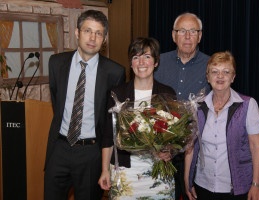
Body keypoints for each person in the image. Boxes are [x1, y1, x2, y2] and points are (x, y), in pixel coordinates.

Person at [44, 10, 126, 200]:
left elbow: (111, 119)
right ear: (77, 33)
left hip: (91, 153)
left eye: (98, 33)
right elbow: (57, 102)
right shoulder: (56, 63)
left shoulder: (115, 72)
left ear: (104, 39)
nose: (92, 37)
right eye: (87, 30)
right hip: (59, 148)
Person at [99, 37, 176, 199]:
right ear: (131, 63)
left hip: (157, 171)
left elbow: (174, 135)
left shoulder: (167, 94)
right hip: (125, 171)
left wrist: (168, 150)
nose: (141, 62)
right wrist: (105, 170)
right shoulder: (117, 94)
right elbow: (108, 137)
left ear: (156, 62)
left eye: (147, 56)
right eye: (136, 57)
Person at [185, 51, 259, 200]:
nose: (220, 76)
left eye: (226, 72)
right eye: (214, 72)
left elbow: (256, 146)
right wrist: (187, 180)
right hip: (202, 185)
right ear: (208, 77)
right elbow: (190, 146)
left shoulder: (247, 105)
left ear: (233, 77)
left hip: (236, 188)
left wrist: (256, 184)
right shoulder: (197, 106)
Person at [154, 12, 210, 200]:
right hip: (160, 151)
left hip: (195, 152)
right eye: (182, 31)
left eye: (193, 31)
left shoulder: (211, 66)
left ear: (200, 36)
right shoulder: (157, 63)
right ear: (173, 35)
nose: (187, 36)